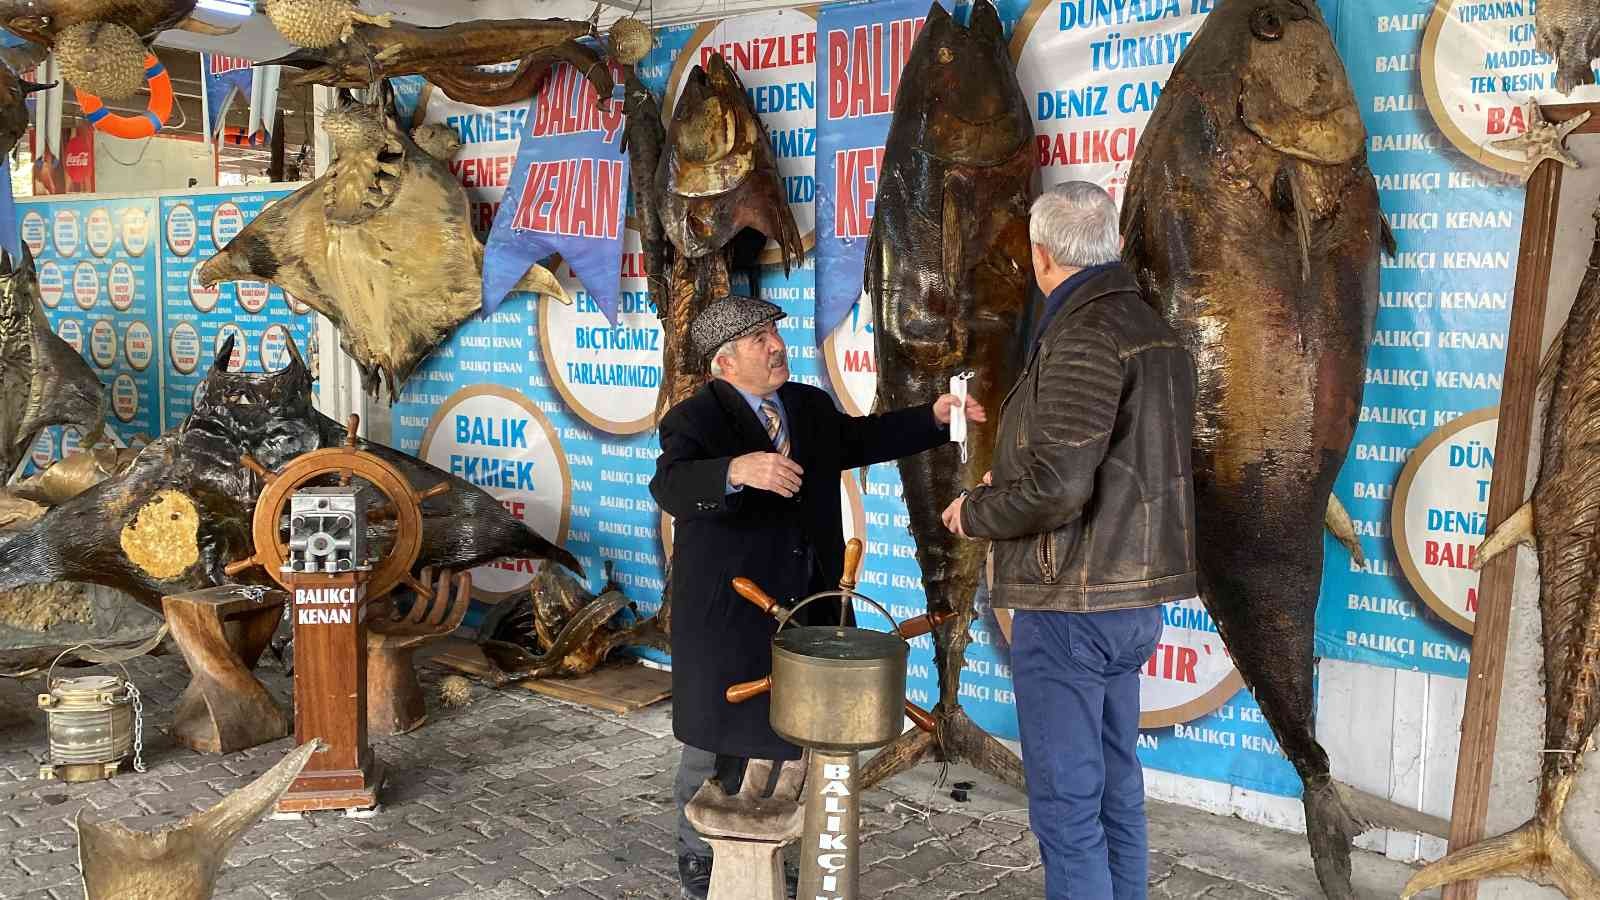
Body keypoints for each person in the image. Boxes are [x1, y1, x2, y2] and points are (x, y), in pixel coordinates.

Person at [651, 294, 986, 900]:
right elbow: (671, 485)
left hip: (810, 611)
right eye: (760, 340)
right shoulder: (695, 418)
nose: (777, 346)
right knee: (714, 749)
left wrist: (934, 418)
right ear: (724, 363)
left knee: (796, 745)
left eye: (775, 334)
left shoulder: (805, 404)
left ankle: (788, 856)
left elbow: (861, 439)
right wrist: (735, 470)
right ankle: (699, 863)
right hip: (730, 619)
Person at [940, 181, 1197, 900]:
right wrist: (1015, 467)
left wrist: (976, 511)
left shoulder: (1085, 332)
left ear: (1041, 254)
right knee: (1115, 788)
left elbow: (1059, 488)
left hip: (1072, 605)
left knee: (1066, 804)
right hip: (1126, 603)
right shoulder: (1147, 325)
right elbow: (1111, 460)